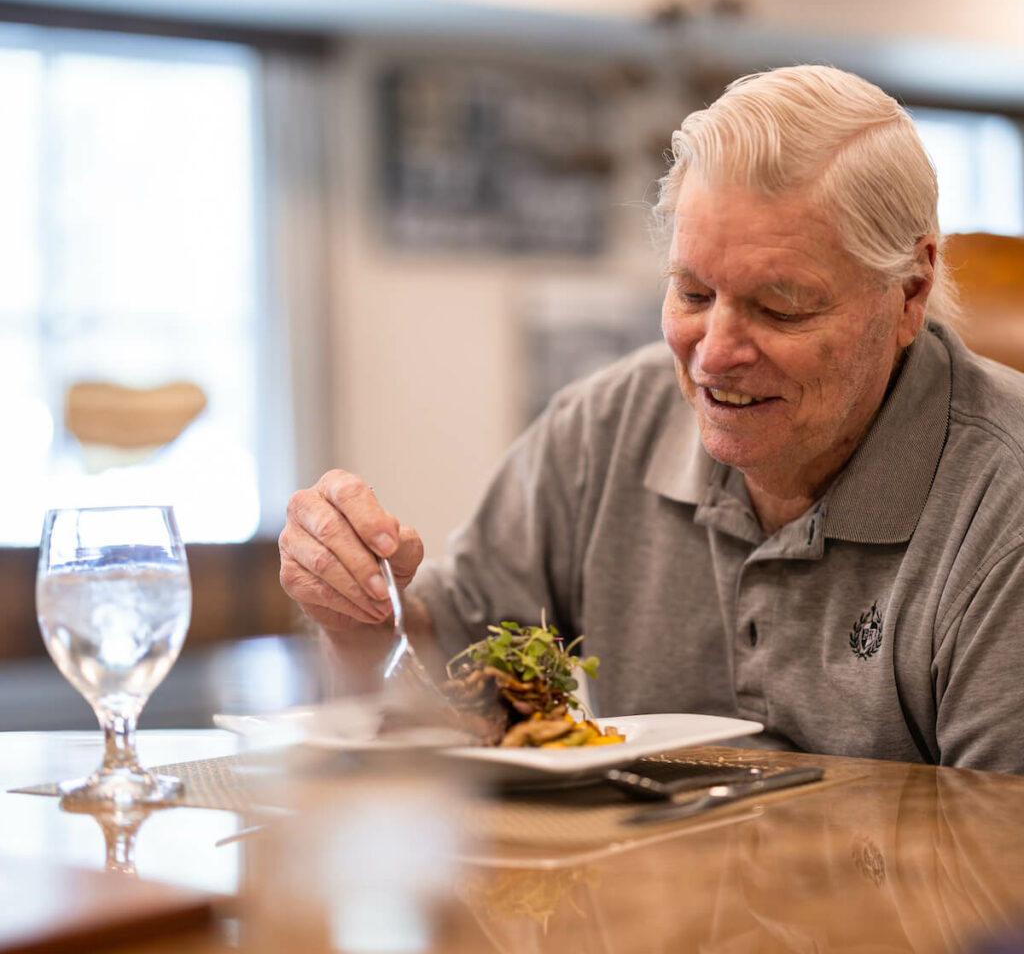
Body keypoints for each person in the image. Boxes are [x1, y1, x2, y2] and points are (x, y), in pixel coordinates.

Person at [280, 64, 1024, 774]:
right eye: (694, 294)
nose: (716, 355)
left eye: (780, 306)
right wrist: (359, 610)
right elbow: (438, 665)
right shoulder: (605, 430)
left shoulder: (1003, 500)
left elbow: (999, 858)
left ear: (911, 291)